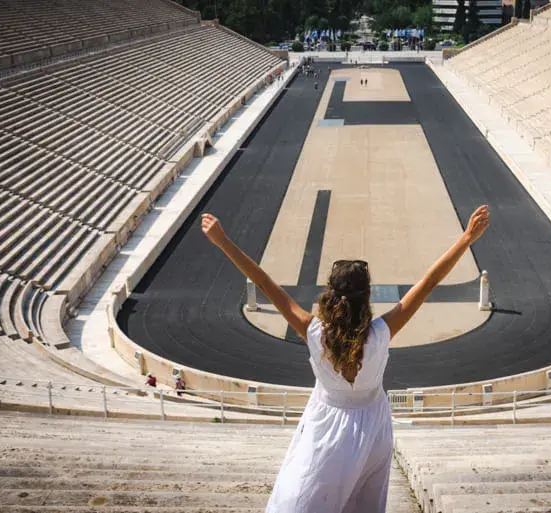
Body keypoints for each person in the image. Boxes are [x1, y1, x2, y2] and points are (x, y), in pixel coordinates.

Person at [200, 205, 490, 512]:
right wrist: (466, 238)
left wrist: (223, 241)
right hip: (373, 424)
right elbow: (429, 282)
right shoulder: (381, 333)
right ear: (367, 298)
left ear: (330, 296)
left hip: (327, 423)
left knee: (306, 492)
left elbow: (263, 281)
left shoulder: (312, 331)